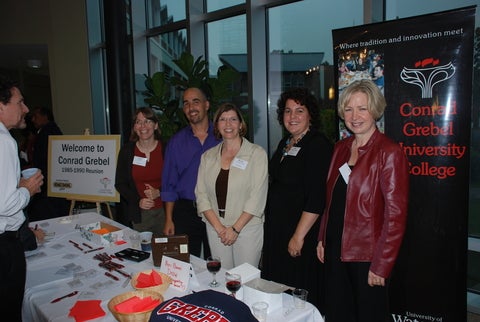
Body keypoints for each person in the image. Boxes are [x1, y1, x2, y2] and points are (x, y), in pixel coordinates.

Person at [316, 79, 409, 322]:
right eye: (348, 109)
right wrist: (322, 238)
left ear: (375, 110)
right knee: (338, 312)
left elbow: (395, 216)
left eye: (362, 108)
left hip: (367, 255)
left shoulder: (389, 152)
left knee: (370, 315)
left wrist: (382, 263)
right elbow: (331, 200)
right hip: (335, 248)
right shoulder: (340, 148)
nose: (354, 116)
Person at [261, 87, 333, 310]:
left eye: (299, 111)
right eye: (288, 111)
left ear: (310, 114)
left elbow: (317, 196)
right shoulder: (286, 143)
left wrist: (298, 236)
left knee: (298, 294)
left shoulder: (317, 145)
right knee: (279, 290)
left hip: (300, 232)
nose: (292, 117)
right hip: (279, 231)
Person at [195, 103, 268, 269]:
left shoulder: (257, 154)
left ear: (241, 124)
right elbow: (201, 195)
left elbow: (257, 197)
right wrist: (220, 228)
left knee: (246, 280)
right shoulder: (208, 157)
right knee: (222, 278)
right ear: (217, 125)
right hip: (216, 228)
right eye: (223, 119)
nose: (228, 124)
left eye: (233, 119)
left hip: (247, 228)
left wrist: (235, 229)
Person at [0, 75, 44, 321]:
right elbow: (5, 205)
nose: (25, 110)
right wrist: (27, 189)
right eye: (20, 102)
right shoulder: (4, 141)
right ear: (1, 105)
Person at [161, 87, 221, 258]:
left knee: (217, 262)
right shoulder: (176, 142)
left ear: (207, 105)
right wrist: (168, 219)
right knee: (185, 263)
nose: (191, 107)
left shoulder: (222, 137)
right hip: (185, 212)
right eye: (186, 103)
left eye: (196, 101)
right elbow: (169, 184)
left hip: (216, 209)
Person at [115, 107, 165, 237]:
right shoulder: (127, 152)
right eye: (138, 122)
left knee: (165, 252)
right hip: (139, 214)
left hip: (165, 212)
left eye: (147, 121)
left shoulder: (167, 149)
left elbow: (176, 180)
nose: (143, 126)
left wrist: (159, 192)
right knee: (142, 251)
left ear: (155, 125)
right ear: (134, 127)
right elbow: (120, 183)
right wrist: (138, 200)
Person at [27, 106, 69, 220]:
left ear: (45, 116)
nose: (33, 120)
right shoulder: (48, 131)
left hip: (49, 187)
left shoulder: (49, 132)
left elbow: (47, 161)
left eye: (36, 116)